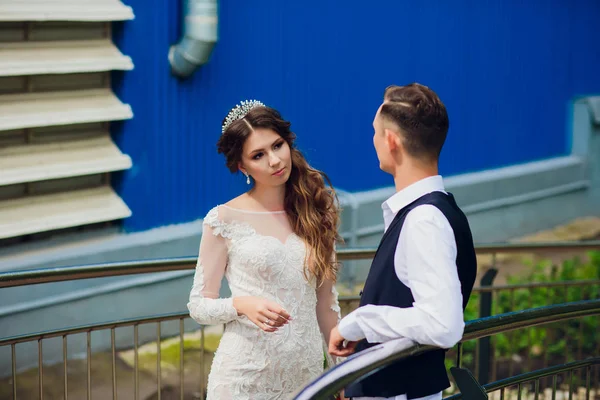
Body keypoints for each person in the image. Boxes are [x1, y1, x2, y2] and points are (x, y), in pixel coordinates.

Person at [328, 83, 478, 400]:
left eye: (375, 132)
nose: (373, 140)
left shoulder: (424, 219)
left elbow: (442, 324)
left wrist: (358, 323)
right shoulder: (438, 210)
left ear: (392, 141)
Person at [187, 100, 343, 400]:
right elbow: (198, 305)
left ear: (288, 142)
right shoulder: (222, 219)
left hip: (305, 379)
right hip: (243, 379)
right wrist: (241, 305)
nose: (274, 160)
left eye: (277, 145)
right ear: (242, 166)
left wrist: (340, 372)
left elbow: (326, 307)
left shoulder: (316, 211)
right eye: (259, 155)